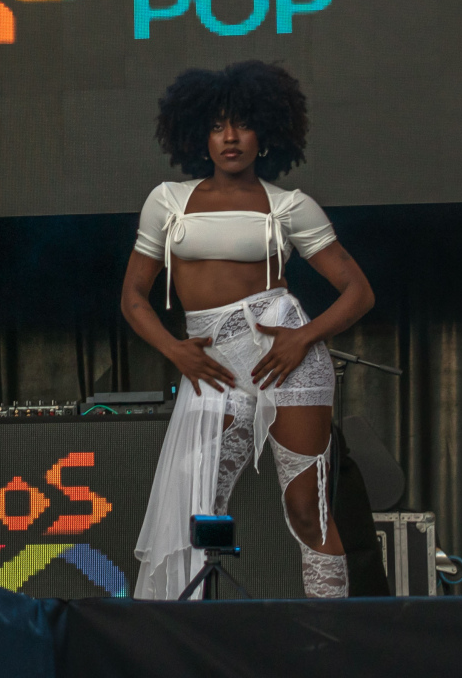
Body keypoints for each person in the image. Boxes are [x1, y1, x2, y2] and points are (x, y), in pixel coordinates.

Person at [124, 61, 376, 599]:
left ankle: (328, 635)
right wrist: (174, 350)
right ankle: (190, 632)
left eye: (242, 124)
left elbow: (359, 292)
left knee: (306, 510)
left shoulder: (289, 207)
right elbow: (133, 298)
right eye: (217, 126)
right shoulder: (167, 201)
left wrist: (303, 338)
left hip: (285, 356)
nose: (230, 137)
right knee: (194, 508)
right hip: (211, 366)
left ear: (265, 134)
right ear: (200, 135)